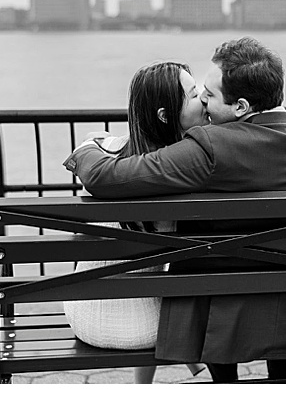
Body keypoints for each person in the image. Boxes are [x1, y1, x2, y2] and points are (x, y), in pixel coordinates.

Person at [63, 37, 286, 383]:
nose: (202, 98)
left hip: (225, 315)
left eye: (210, 94)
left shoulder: (212, 146)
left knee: (210, 272)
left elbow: (105, 177)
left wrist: (87, 148)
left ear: (241, 107)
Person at [62, 61, 208, 385]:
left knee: (140, 278)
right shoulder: (187, 172)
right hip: (154, 326)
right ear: (165, 116)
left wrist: (91, 143)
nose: (204, 100)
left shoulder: (108, 156)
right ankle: (189, 370)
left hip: (84, 314)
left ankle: (148, 384)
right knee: (161, 286)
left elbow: (91, 146)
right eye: (195, 94)